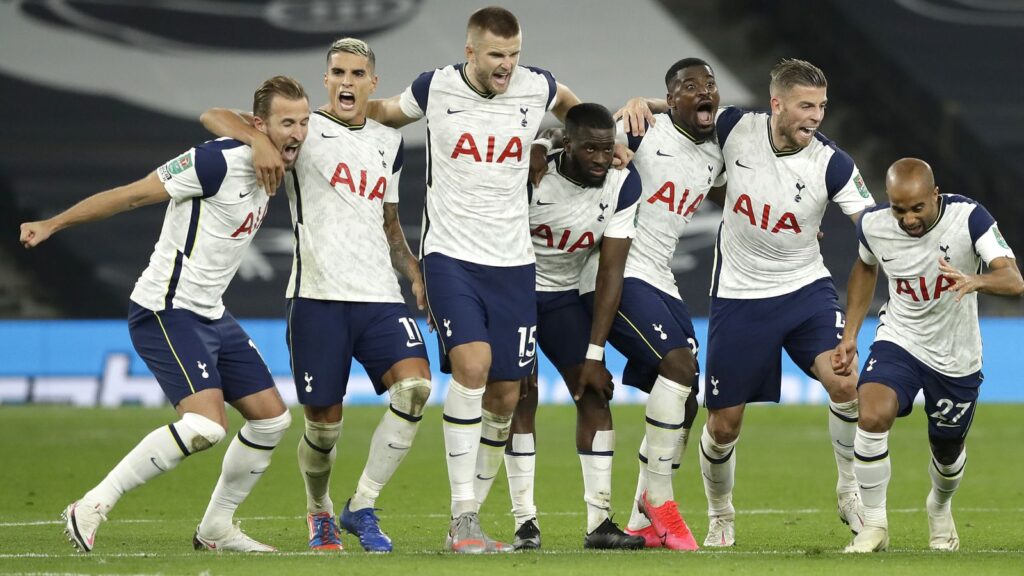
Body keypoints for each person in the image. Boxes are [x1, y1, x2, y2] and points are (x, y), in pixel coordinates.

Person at [362, 6, 626, 553]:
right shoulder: (434, 87)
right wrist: (327, 115)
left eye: (513, 56)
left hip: (513, 263)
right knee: (474, 368)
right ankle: (462, 516)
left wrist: (606, 136)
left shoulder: (536, 87)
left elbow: (567, 102)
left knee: (505, 396)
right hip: (451, 256)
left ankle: (474, 519)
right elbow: (385, 112)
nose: (506, 67)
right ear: (470, 53)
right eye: (496, 57)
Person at [20, 76, 310, 553]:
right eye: (286, 123)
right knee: (206, 427)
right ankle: (91, 504)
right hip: (165, 309)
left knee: (271, 421)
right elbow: (133, 194)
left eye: (303, 121)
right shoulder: (215, 162)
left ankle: (216, 529)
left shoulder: (286, 155)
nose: (298, 132)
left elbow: (222, 113)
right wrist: (54, 223)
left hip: (212, 314)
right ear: (259, 124)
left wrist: (266, 140)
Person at [621, 58, 875, 546]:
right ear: (776, 104)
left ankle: (849, 492)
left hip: (805, 289)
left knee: (845, 381)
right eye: (805, 106)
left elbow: (872, 225)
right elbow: (685, 108)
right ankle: (721, 515)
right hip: (740, 297)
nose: (816, 117)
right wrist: (640, 105)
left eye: (821, 107)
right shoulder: (737, 126)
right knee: (723, 425)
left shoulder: (833, 163)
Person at [200, 38, 431, 553]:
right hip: (317, 296)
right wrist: (259, 143)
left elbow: (389, 220)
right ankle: (319, 511)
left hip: (379, 294)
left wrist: (413, 271)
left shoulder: (388, 141)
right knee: (323, 428)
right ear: (326, 79)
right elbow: (214, 115)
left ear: (373, 83)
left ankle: (362, 504)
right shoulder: (303, 130)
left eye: (357, 74)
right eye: (337, 72)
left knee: (415, 388)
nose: (346, 81)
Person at [834, 158, 1023, 553]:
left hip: (956, 354)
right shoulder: (874, 226)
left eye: (917, 208)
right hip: (900, 339)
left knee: (947, 451)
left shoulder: (969, 218)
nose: (908, 219)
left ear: (934, 195)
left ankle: (939, 506)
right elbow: (865, 268)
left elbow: (1013, 279)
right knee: (871, 413)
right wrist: (850, 334)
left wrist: (976, 280)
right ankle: (875, 526)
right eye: (899, 209)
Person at [490, 103, 644, 551]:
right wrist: (538, 144)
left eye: (606, 147)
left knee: (593, 392)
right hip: (515, 291)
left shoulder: (622, 183)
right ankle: (525, 523)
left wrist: (596, 355)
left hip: (563, 298)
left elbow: (610, 273)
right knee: (521, 394)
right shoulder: (534, 176)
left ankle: (600, 524)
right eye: (589, 148)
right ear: (568, 145)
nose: (600, 158)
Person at [587, 58, 725, 551]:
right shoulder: (642, 128)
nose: (703, 91)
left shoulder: (717, 152)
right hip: (615, 269)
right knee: (679, 365)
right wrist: (633, 110)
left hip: (659, 274)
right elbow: (592, 145)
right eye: (689, 86)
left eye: (710, 84)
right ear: (670, 98)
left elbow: (745, 186)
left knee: (687, 399)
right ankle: (661, 500)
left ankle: (641, 517)